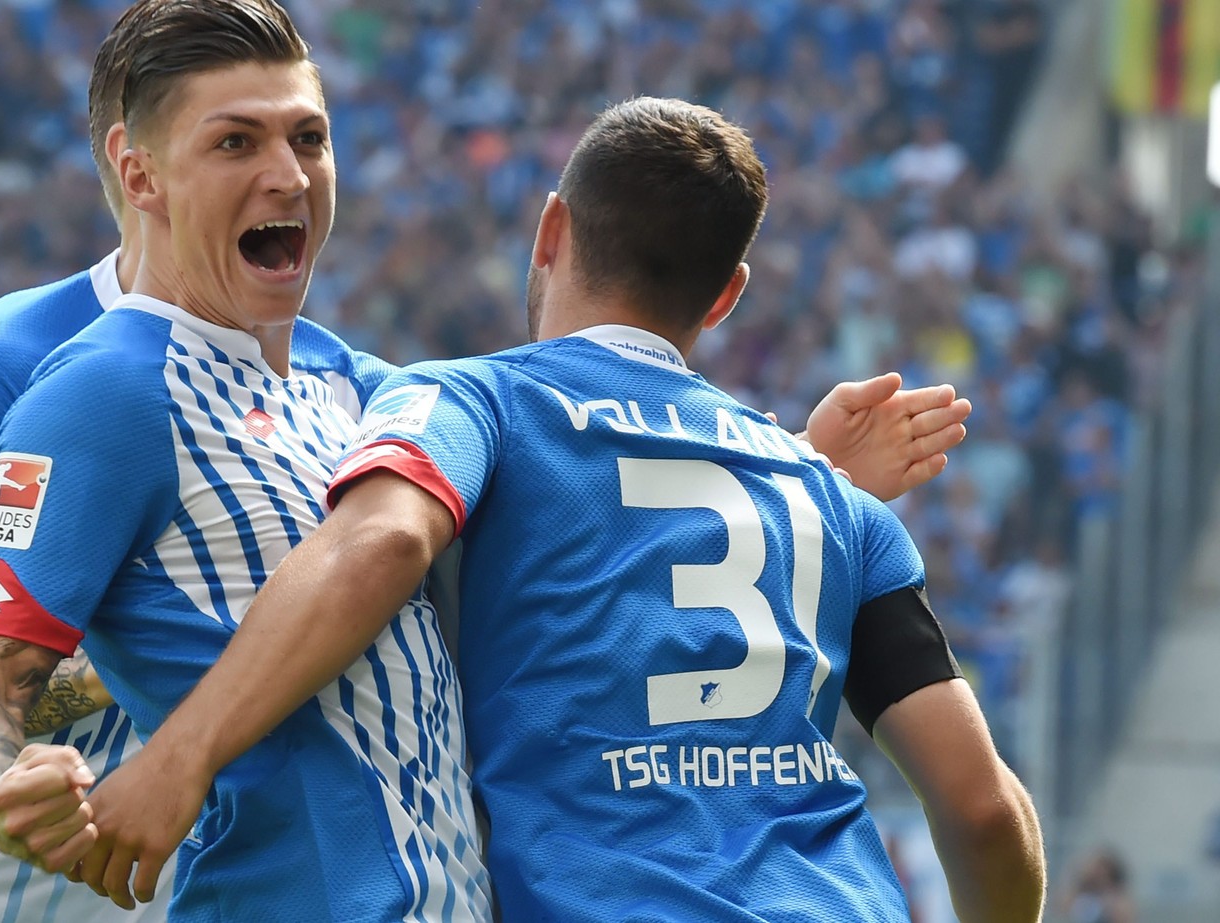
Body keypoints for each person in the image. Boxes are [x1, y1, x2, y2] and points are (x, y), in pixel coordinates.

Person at [93, 97, 1046, 922]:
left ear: (551, 230)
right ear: (725, 297)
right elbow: (982, 809)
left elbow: (383, 539)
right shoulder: (833, 504)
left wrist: (181, 755)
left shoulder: (477, 401)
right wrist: (805, 468)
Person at [0, 2, 385, 918]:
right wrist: (165, 655)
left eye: (310, 138)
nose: (289, 175)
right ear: (137, 169)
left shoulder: (344, 388)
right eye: (237, 143)